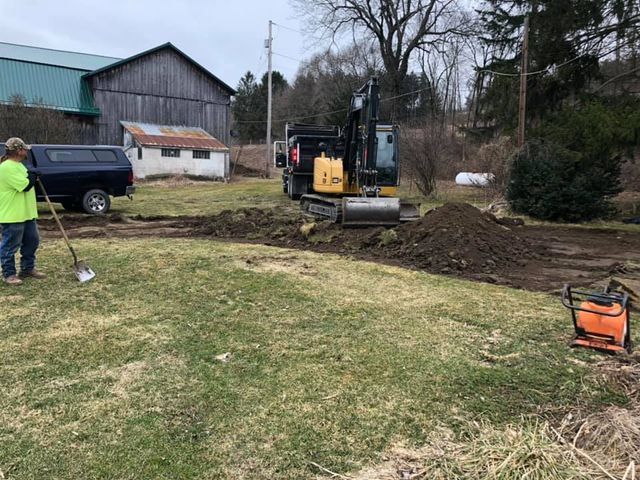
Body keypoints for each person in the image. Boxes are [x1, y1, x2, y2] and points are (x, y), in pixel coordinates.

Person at [0, 137, 45, 285]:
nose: (26, 151)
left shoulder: (19, 165)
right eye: (24, 148)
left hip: (26, 212)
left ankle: (27, 268)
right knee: (10, 246)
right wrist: (33, 175)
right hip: (13, 214)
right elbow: (25, 185)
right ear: (19, 151)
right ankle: (9, 274)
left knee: (32, 241)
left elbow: (29, 182)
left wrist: (32, 175)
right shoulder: (6, 167)